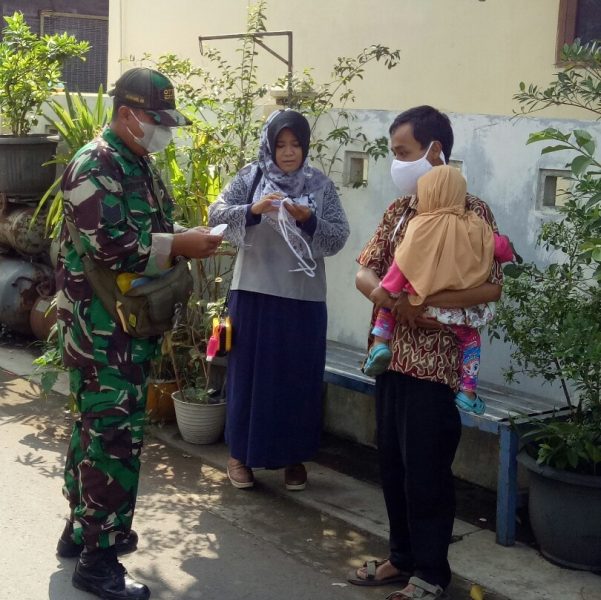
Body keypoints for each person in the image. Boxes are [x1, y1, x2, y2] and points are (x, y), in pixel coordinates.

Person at [55, 67, 223, 600]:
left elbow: (153, 225)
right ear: (127, 115)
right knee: (113, 440)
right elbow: (111, 246)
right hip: (102, 332)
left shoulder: (137, 163)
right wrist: (180, 244)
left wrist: (180, 240)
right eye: (157, 120)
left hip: (125, 327)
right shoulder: (94, 165)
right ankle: (97, 564)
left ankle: (83, 531)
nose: (163, 130)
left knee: (97, 429)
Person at [348, 106, 503, 600]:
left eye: (403, 153)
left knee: (427, 470)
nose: (397, 163)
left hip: (437, 367)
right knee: (391, 463)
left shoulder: (472, 214)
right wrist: (390, 300)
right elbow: (364, 271)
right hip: (390, 358)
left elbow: (490, 288)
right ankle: (402, 556)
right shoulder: (399, 212)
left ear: (435, 151)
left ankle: (432, 573)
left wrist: (423, 304)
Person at [208, 109, 350, 491]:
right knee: (249, 375)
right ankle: (240, 455)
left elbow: (338, 236)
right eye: (281, 144)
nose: (289, 152)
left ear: (305, 147)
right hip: (253, 292)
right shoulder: (250, 177)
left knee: (298, 379)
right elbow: (216, 215)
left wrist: (308, 220)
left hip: (303, 298)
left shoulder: (320, 185)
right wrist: (253, 211)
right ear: (269, 146)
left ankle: (294, 458)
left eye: (296, 144)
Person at [363, 165, 515, 415]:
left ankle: (380, 344)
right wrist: (509, 251)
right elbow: (500, 248)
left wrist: (385, 290)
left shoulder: (420, 225)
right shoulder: (476, 225)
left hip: (412, 299)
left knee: (388, 307)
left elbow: (402, 264)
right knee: (470, 339)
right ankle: (467, 392)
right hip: (451, 310)